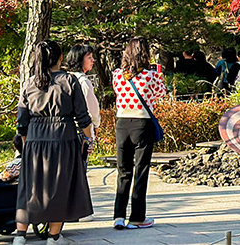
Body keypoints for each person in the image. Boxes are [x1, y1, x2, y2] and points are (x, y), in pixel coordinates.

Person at [12, 41, 94, 245]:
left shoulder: (30, 83)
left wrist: (26, 144)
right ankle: (54, 237)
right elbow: (82, 116)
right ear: (60, 57)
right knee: (59, 185)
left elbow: (21, 120)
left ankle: (20, 235)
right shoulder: (69, 81)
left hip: (34, 138)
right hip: (62, 136)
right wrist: (88, 137)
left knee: (29, 187)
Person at [111, 37, 167, 230]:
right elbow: (161, 94)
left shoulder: (117, 74)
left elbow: (118, 92)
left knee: (123, 171)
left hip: (122, 123)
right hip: (142, 123)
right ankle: (137, 217)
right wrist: (159, 75)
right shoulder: (149, 76)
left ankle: (118, 215)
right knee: (140, 171)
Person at [63, 44, 102, 137]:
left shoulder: (64, 78)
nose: (93, 60)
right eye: (89, 58)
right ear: (79, 60)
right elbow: (92, 108)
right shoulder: (83, 81)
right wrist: (96, 125)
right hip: (82, 129)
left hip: (64, 128)